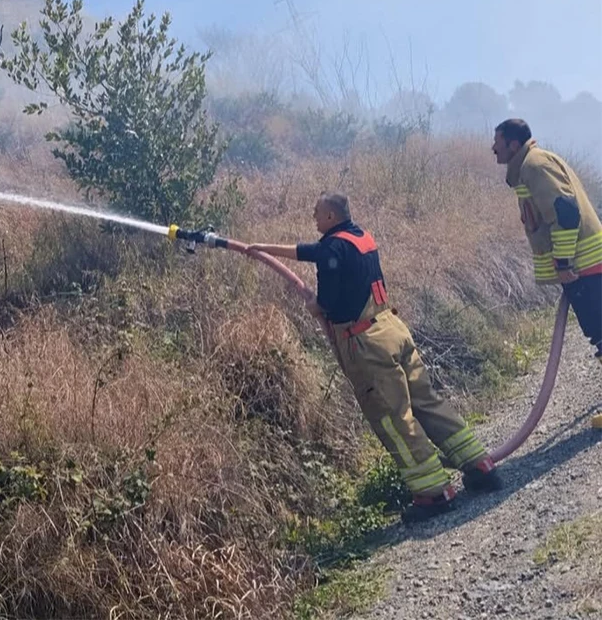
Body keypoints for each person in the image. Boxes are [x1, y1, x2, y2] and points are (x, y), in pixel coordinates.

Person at [249, 192, 502, 523]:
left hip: (366, 344)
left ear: (330, 216)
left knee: (394, 418)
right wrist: (262, 248)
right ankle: (479, 465)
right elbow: (310, 251)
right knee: (427, 402)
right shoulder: (359, 237)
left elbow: (328, 302)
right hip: (392, 329)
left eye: (316, 213)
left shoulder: (332, 249)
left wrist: (315, 306)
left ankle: (433, 492)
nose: (313, 217)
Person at [492, 118, 602, 370]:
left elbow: (565, 213)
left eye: (497, 142)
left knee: (600, 332)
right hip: (585, 266)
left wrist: (563, 263)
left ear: (513, 144)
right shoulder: (530, 166)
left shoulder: (535, 166)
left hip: (584, 266)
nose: (493, 148)